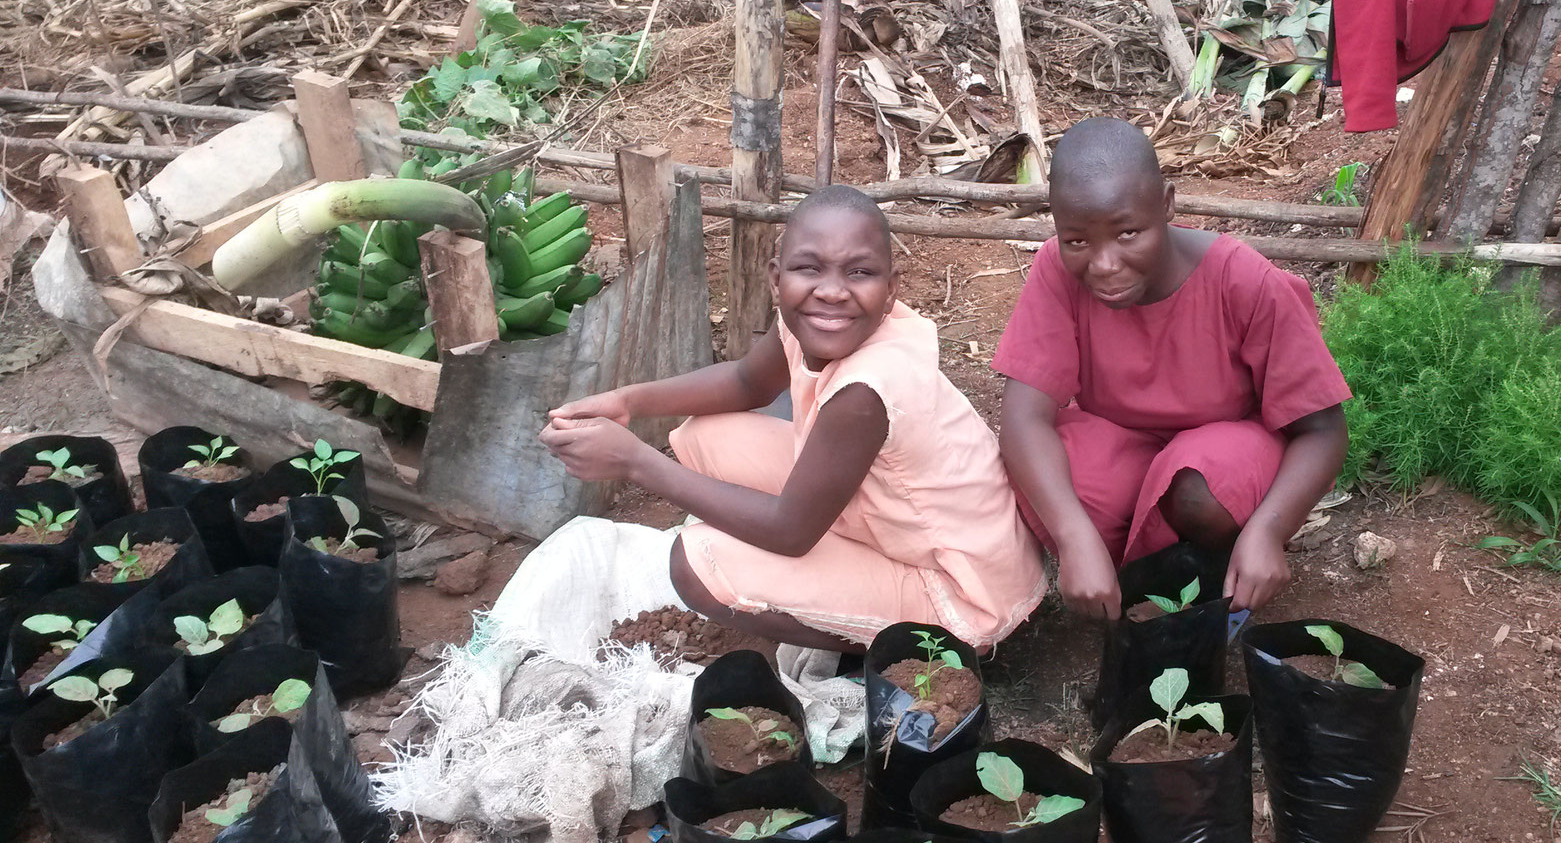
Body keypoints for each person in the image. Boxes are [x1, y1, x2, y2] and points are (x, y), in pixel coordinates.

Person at [541, 185, 1045, 654]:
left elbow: (790, 532)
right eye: (809, 269)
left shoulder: (866, 391)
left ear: (891, 289)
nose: (831, 292)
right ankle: (851, 576)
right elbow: (746, 383)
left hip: (962, 590)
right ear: (775, 277)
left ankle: (914, 648)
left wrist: (635, 462)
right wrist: (628, 402)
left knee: (696, 565)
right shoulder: (810, 324)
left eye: (859, 273)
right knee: (706, 435)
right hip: (902, 519)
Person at [993, 117, 1353, 619]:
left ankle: (1216, 572)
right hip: (1125, 443)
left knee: (1196, 490)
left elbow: (1323, 428)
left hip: (1226, 454)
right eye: (1077, 240)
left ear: (1166, 204)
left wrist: (1270, 529)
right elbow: (1024, 416)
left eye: (1128, 233)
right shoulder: (1056, 268)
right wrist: (1074, 537)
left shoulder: (1245, 282)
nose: (1104, 264)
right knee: (1053, 478)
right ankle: (1132, 576)